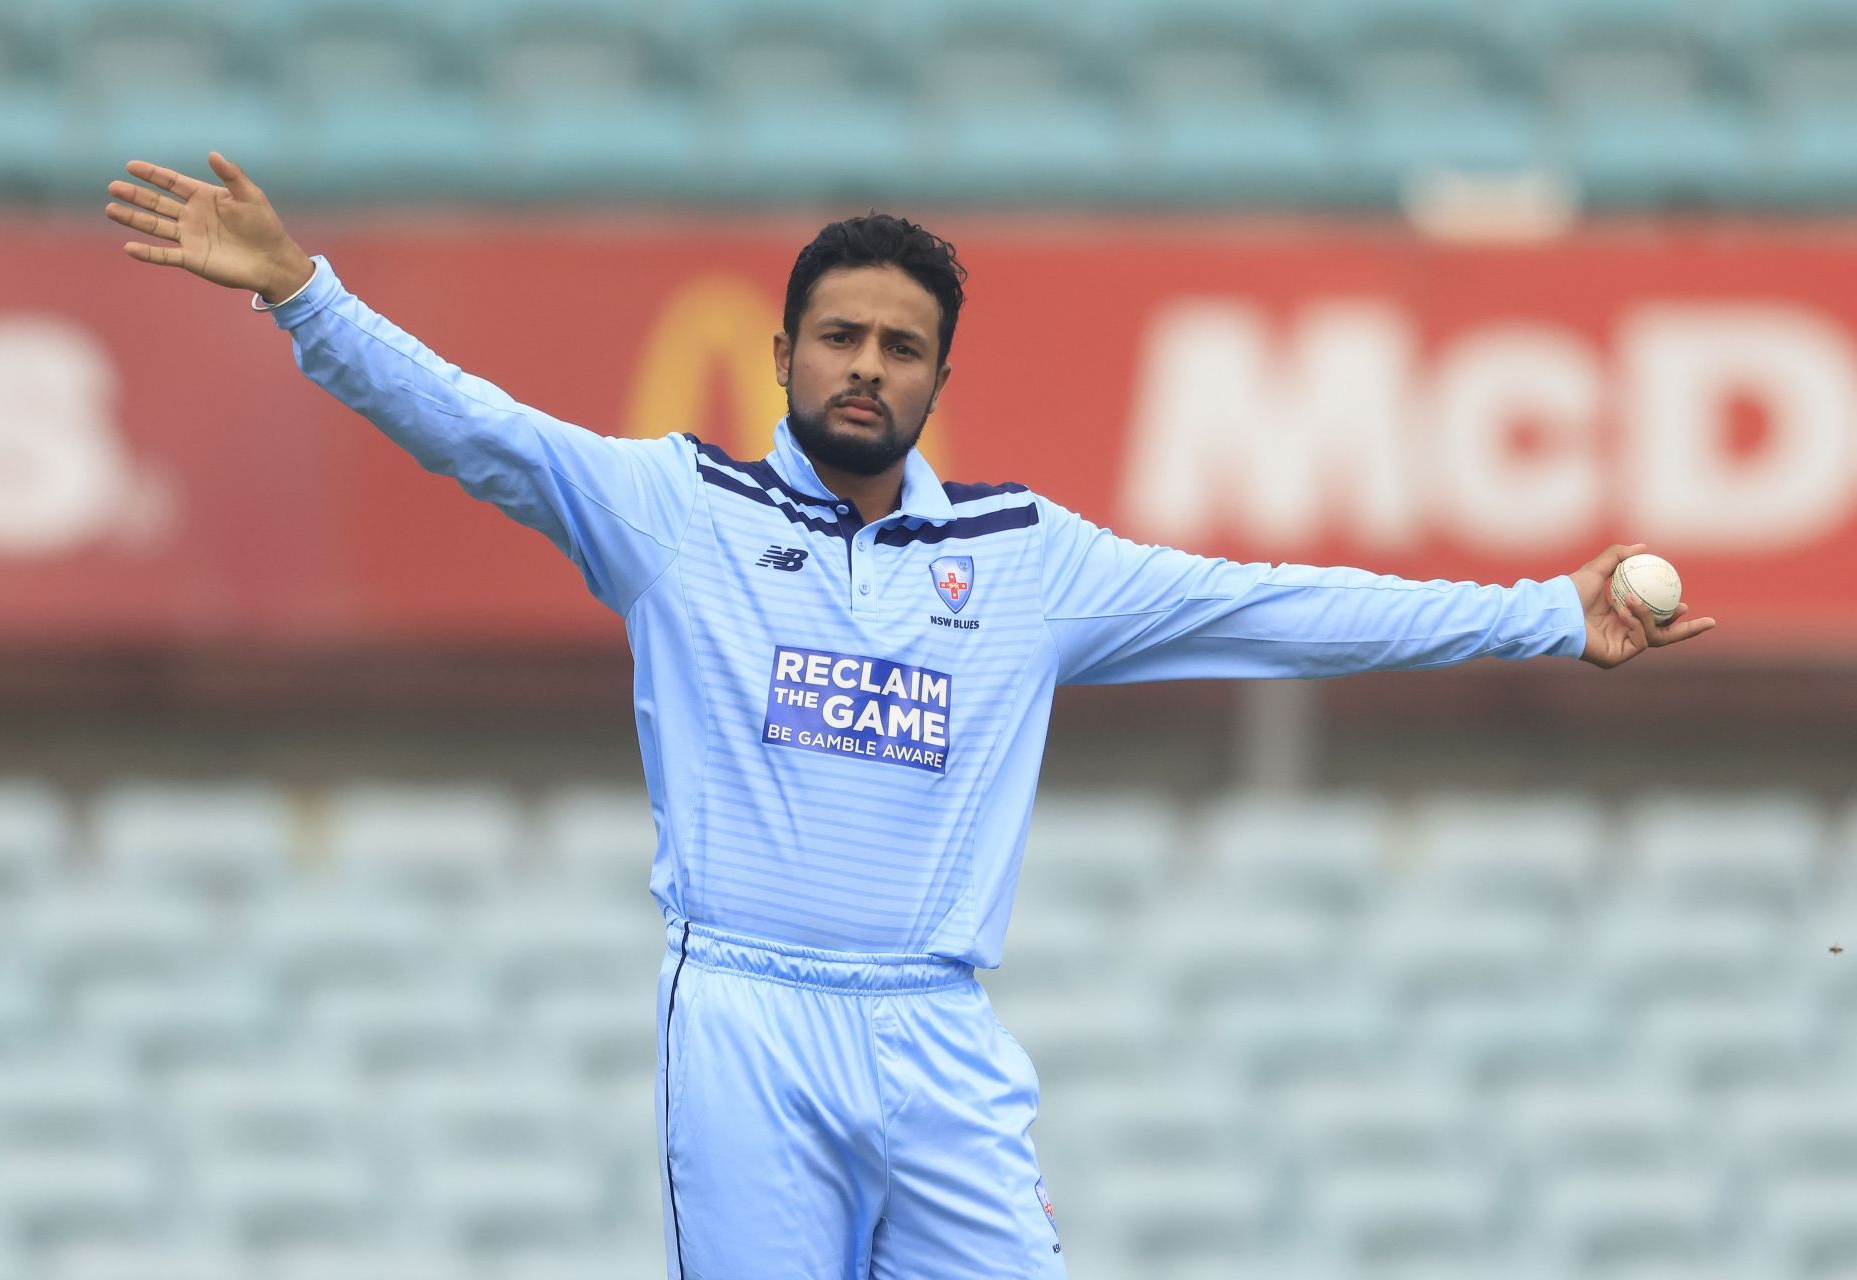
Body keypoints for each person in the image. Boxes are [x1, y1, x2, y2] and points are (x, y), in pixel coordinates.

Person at [107, 152, 1716, 1280]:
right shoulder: (679, 509)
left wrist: (1543, 619)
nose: (866, 368)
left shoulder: (1026, 559)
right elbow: (476, 430)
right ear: (787, 349)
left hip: (936, 1032)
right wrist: (305, 298)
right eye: (841, 337)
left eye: (901, 347)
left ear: (939, 376)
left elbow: (1275, 606)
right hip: (743, 1015)